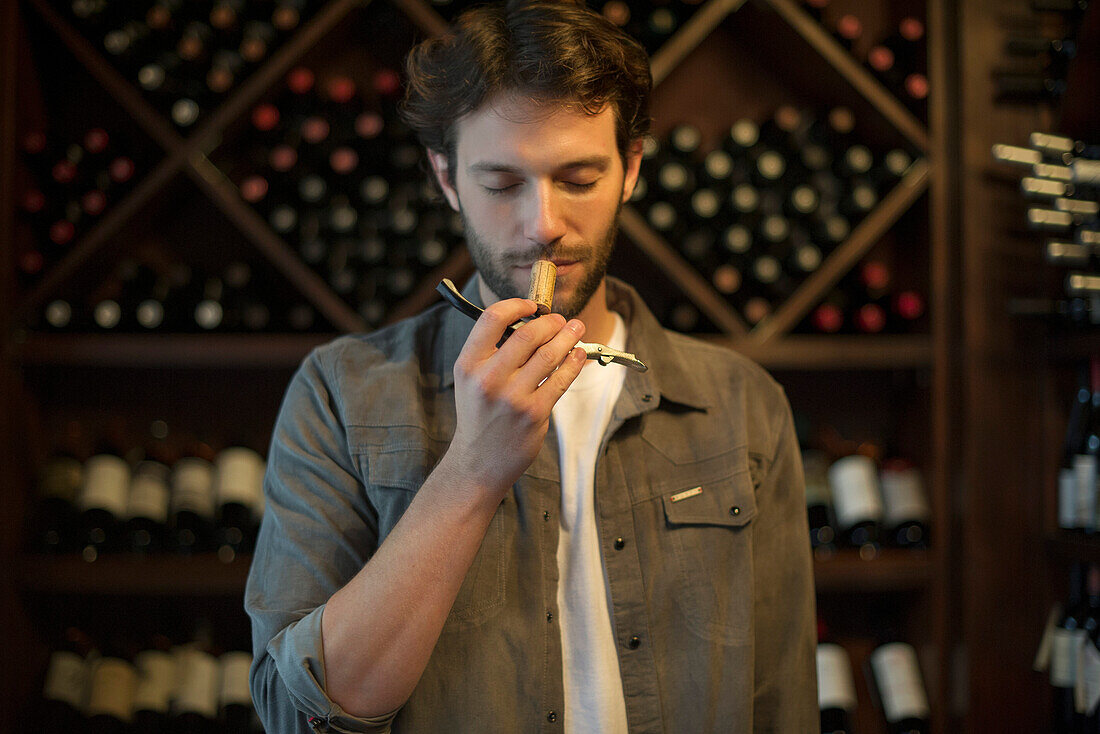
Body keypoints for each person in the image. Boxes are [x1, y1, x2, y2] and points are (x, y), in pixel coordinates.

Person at [245, 1, 817, 731]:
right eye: (501, 184)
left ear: (631, 168)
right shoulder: (340, 392)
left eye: (578, 178)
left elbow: (783, 703)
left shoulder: (743, 403)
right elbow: (297, 718)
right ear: (447, 178)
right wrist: (473, 469)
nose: (543, 223)